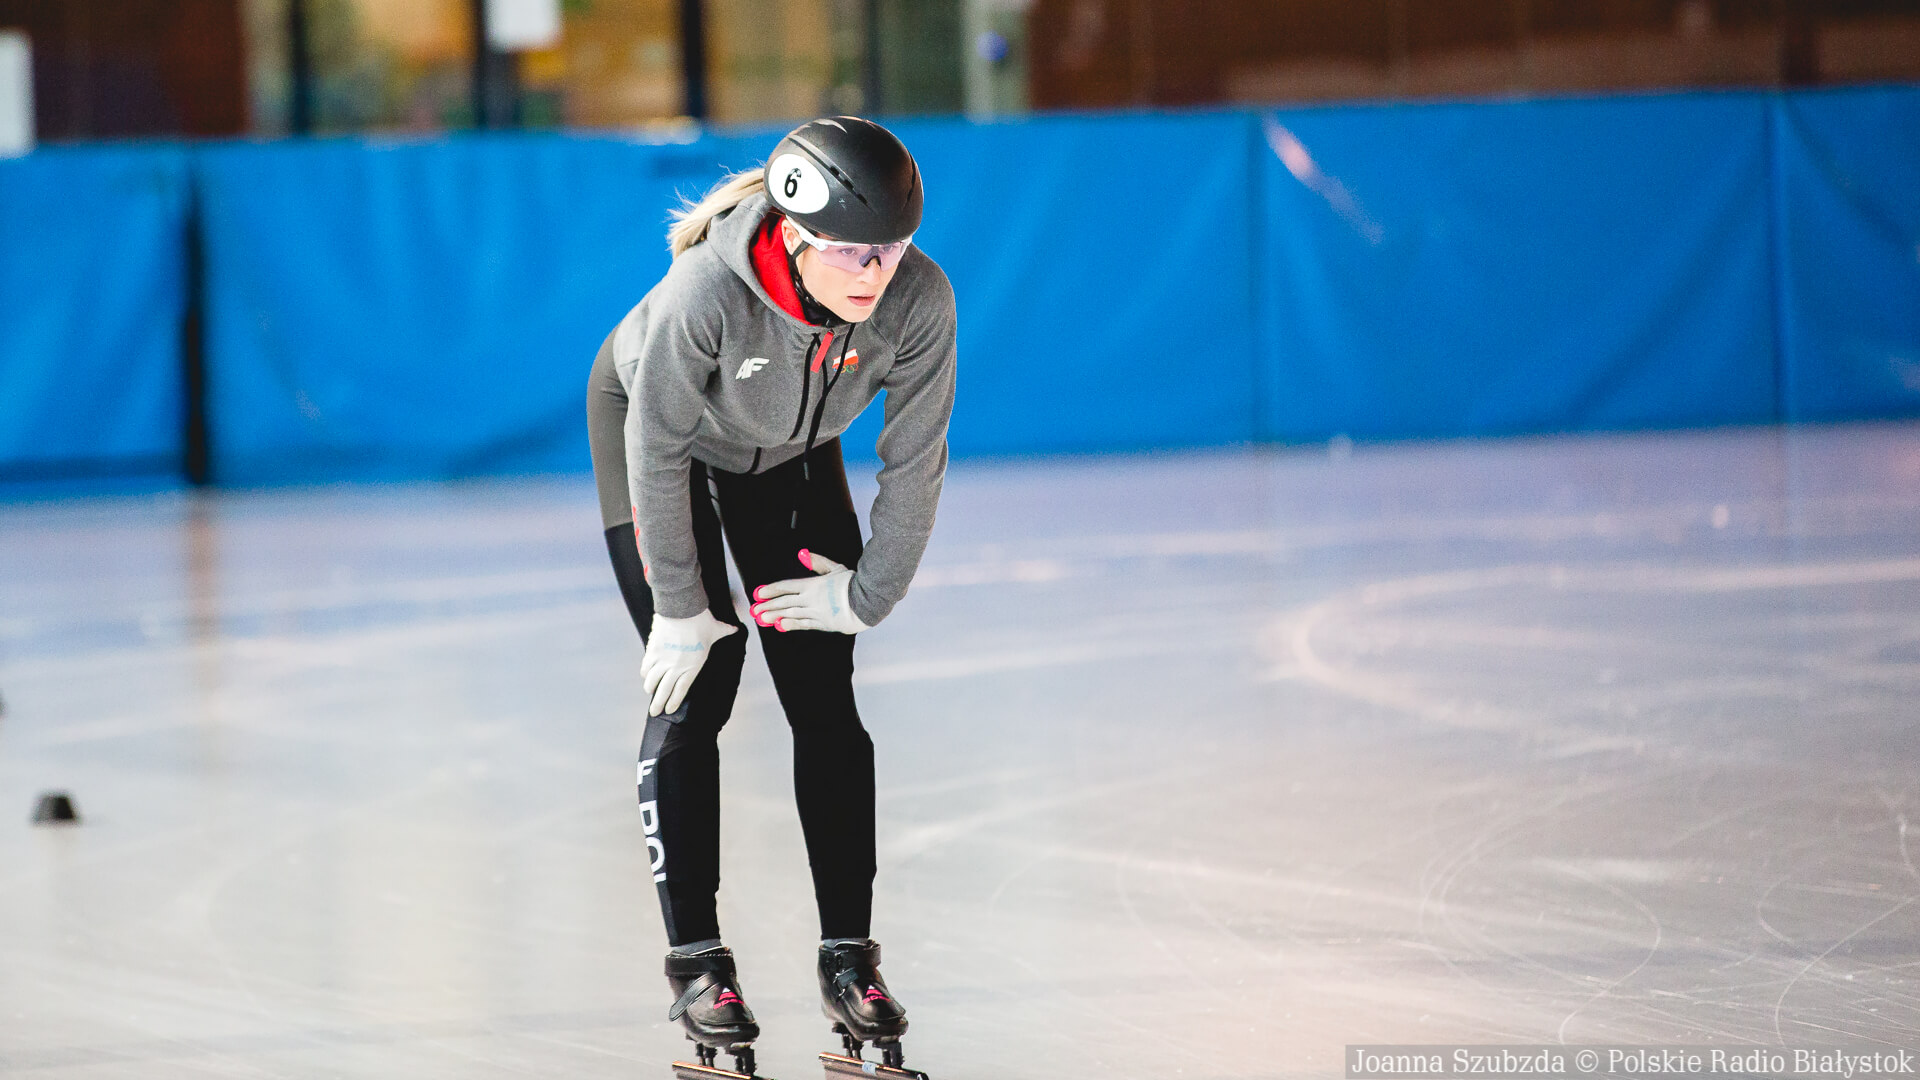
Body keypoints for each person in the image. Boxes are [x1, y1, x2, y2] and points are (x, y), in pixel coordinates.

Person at [585, 116, 956, 1075]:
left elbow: (915, 464)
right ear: (794, 236)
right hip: (655, 437)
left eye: (892, 251)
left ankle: (849, 961)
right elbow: (656, 448)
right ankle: (698, 964)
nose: (874, 275)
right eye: (850, 254)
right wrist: (677, 607)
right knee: (698, 685)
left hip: (788, 456)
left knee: (825, 699)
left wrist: (869, 595)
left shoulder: (920, 302)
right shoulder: (708, 291)